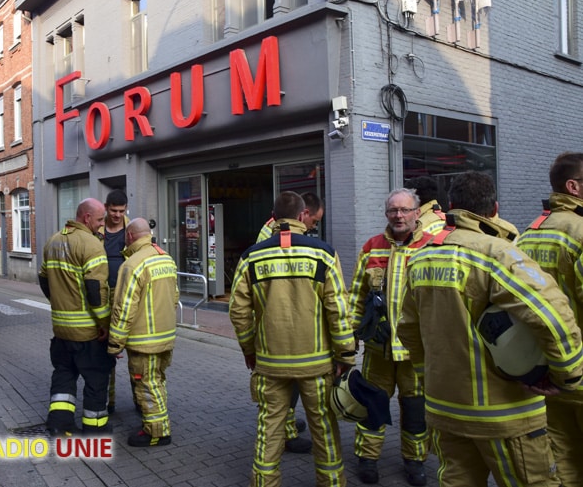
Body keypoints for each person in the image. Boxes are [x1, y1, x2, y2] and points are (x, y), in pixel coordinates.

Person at [398, 171, 583, 487]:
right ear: (494, 208)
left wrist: (430, 377)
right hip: (504, 415)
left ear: (451, 206)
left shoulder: (422, 258)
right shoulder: (498, 254)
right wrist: (569, 375)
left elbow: (408, 330)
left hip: (445, 410)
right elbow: (552, 316)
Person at [229, 191, 356, 487]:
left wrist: (250, 350)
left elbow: (238, 311)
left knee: (268, 428)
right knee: (324, 428)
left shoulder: (252, 256)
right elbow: (338, 309)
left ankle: (264, 482)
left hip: (269, 363)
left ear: (274, 218)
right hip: (316, 363)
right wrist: (345, 356)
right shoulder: (324, 253)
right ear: (302, 216)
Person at [347, 188, 432, 486]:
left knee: (415, 413)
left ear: (416, 213)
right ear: (386, 214)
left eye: (405, 210)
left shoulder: (432, 247)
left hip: (415, 354)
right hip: (377, 349)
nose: (398, 215)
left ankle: (415, 461)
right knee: (372, 407)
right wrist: (349, 338)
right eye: (393, 210)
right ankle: (367, 459)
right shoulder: (372, 246)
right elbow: (357, 297)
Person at [517, 152, 583, 486]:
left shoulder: (528, 233)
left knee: (564, 457)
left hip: (550, 372)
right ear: (573, 186)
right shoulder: (581, 231)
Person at [254, 191, 325, 453]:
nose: (314, 227)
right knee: (287, 388)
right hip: (285, 330)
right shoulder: (278, 240)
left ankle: (287, 425)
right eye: (314, 222)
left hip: (273, 330)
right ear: (303, 214)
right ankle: (287, 432)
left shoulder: (270, 232)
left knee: (285, 390)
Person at [39, 198, 116, 436]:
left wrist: (58, 302)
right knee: (96, 379)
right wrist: (105, 323)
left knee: (64, 375)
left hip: (61, 329)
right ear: (87, 218)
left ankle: (59, 424)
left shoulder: (53, 241)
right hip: (87, 332)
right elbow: (96, 290)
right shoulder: (91, 245)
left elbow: (43, 279)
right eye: (100, 219)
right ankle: (95, 429)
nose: (102, 225)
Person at [108, 218, 179, 447]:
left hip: (143, 341)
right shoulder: (165, 258)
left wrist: (114, 344)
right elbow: (175, 296)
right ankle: (156, 423)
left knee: (147, 384)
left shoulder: (132, 264)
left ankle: (157, 432)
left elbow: (124, 308)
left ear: (129, 236)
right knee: (158, 381)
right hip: (166, 336)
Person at [98, 189, 130, 414]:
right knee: (106, 352)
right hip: (101, 295)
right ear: (106, 207)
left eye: (121, 211)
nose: (118, 215)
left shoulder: (131, 230)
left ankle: (140, 400)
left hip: (125, 295)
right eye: (114, 210)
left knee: (135, 353)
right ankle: (109, 402)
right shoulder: (97, 230)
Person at [256, 191, 324, 242]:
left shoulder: (277, 223)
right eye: (314, 221)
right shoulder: (285, 229)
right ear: (305, 213)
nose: (314, 226)